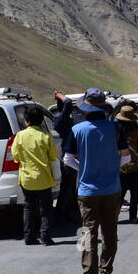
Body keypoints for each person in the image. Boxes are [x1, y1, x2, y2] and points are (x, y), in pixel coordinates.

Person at [63, 88, 129, 274]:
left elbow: (67, 159)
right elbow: (126, 157)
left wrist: (83, 168)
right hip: (112, 188)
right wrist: (113, 167)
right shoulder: (116, 128)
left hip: (86, 190)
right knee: (110, 231)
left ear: (85, 108)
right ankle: (106, 271)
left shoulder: (77, 130)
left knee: (88, 232)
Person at [10, 108, 59, 245]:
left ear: (27, 121)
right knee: (46, 208)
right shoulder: (46, 136)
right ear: (41, 121)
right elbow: (53, 156)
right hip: (43, 178)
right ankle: (45, 236)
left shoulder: (19, 136)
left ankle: (29, 236)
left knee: (29, 207)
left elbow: (15, 156)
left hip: (26, 178)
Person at [49, 92, 81, 225]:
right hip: (67, 156)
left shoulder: (61, 118)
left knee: (70, 187)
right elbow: (67, 103)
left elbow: (67, 105)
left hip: (67, 154)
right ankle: (61, 215)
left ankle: (71, 212)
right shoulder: (61, 119)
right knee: (67, 188)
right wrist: (59, 95)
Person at [114, 103, 138, 223]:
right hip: (135, 165)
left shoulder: (116, 130)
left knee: (120, 193)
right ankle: (133, 216)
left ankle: (114, 216)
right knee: (134, 193)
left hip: (121, 165)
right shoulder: (137, 130)